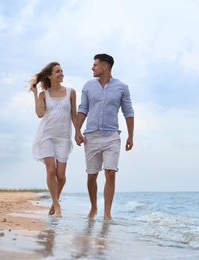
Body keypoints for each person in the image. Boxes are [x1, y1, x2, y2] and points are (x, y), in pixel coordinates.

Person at [75, 54, 134, 221]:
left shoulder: (122, 87)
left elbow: (128, 112)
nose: (92, 68)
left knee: (110, 172)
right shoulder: (88, 86)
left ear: (105, 67)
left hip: (112, 136)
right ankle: (94, 207)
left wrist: (131, 136)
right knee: (92, 175)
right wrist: (77, 130)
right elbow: (83, 108)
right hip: (91, 136)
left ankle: (107, 213)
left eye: (95, 65)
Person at [30, 62, 77, 218]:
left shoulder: (71, 92)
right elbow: (39, 114)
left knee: (61, 176)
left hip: (63, 137)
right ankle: (57, 206)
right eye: (57, 71)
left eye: (62, 71)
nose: (61, 73)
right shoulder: (44, 95)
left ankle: (53, 201)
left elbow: (74, 115)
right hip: (46, 136)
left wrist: (78, 132)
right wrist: (35, 93)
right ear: (50, 75)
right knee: (51, 170)